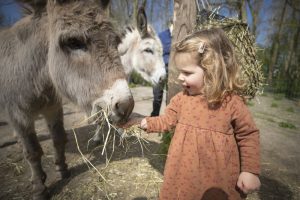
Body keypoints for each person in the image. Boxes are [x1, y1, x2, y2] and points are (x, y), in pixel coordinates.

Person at [124, 28, 261, 199]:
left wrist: (250, 170)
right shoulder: (181, 100)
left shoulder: (231, 103)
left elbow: (248, 135)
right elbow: (166, 120)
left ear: (212, 71)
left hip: (216, 179)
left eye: (187, 73)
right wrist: (144, 122)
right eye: (180, 71)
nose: (180, 77)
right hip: (182, 174)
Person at [151, 21, 173, 116]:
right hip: (160, 68)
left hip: (174, 71)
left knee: (171, 95)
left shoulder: (181, 35)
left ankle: (169, 117)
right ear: (170, 24)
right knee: (157, 95)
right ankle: (154, 115)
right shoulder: (161, 36)